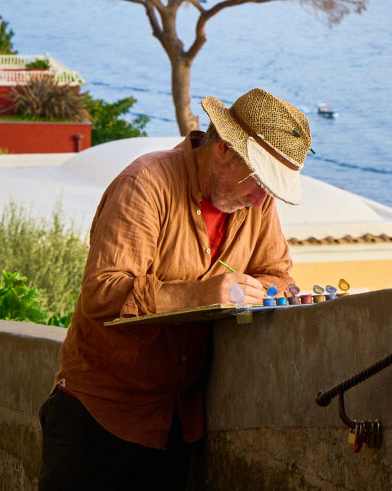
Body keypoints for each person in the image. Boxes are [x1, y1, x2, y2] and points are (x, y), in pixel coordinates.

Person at [38, 88, 312, 490]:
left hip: (177, 423)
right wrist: (200, 293)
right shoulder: (145, 183)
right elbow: (103, 292)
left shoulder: (256, 201)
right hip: (99, 418)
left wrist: (249, 289)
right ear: (222, 150)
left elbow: (279, 276)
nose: (259, 200)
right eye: (259, 181)